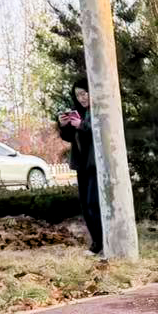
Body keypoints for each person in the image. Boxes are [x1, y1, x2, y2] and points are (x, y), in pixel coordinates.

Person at [56, 78, 103, 255]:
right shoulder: (81, 113)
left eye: (85, 93)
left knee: (93, 203)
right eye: (78, 95)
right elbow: (70, 137)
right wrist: (64, 126)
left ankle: (101, 242)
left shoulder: (100, 110)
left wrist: (82, 125)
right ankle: (96, 242)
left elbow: (100, 132)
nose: (82, 98)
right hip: (82, 164)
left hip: (96, 164)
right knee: (85, 205)